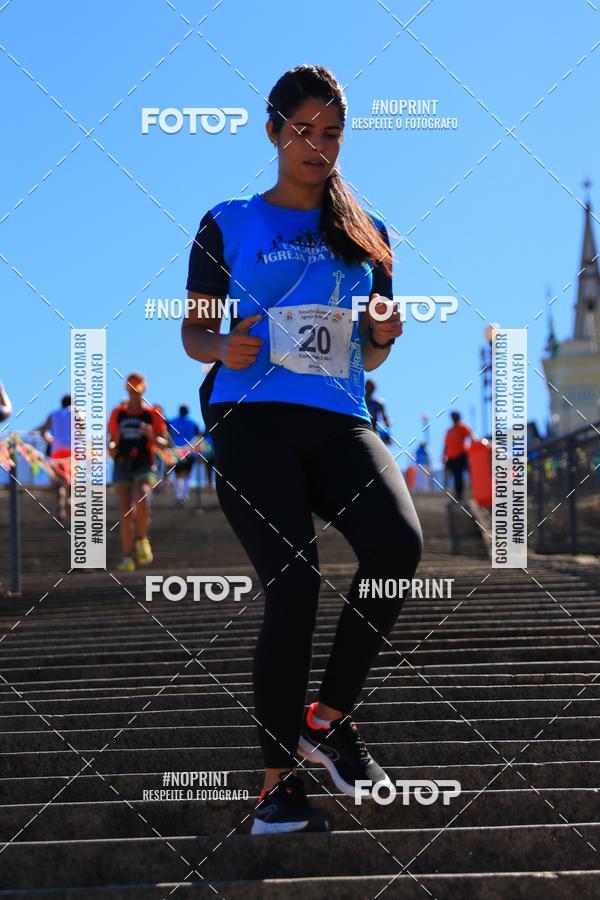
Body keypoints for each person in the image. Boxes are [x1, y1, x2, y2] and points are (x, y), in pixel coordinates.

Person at [182, 65, 423, 835]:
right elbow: (194, 333)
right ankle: (276, 789)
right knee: (295, 584)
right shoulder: (226, 221)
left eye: (332, 134)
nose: (317, 146)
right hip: (250, 416)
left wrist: (384, 334)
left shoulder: (369, 230)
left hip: (340, 417)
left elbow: (372, 355)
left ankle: (329, 718)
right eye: (302, 131)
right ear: (273, 132)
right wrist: (222, 345)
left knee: (399, 543)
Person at [108, 373, 169, 571]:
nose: (134, 391)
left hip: (144, 463)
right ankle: (127, 556)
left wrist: (150, 435)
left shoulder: (152, 414)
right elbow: (112, 439)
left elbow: (164, 443)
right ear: (127, 389)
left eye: (138, 387)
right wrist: (111, 448)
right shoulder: (118, 413)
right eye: (131, 387)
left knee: (141, 496)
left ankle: (141, 538)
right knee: (126, 512)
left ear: (144, 389)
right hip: (122, 463)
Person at [37, 395, 72, 521]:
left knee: (59, 480)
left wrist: (52, 441)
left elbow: (42, 431)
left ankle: (60, 508)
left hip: (57, 451)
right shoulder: (77, 413)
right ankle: (70, 501)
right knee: (71, 479)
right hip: (73, 451)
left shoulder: (53, 414)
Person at [168, 404, 202, 506]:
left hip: (176, 450)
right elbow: (198, 437)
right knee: (187, 474)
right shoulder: (193, 422)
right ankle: (185, 496)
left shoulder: (172, 421)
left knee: (177, 474)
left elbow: (168, 435)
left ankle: (179, 497)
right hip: (189, 450)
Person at [443, 410, 472, 501]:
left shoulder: (463, 427)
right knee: (453, 475)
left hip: (461, 456)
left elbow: (471, 437)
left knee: (459, 476)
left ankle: (462, 493)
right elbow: (446, 444)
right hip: (451, 457)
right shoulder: (449, 430)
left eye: (455, 417)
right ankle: (453, 492)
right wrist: (444, 455)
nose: (453, 418)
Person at [365, 378, 392, 445]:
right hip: (361, 426)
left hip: (373, 430)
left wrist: (387, 426)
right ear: (365, 386)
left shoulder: (378, 403)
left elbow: (386, 420)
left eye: (372, 387)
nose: (370, 389)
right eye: (368, 386)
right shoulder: (360, 400)